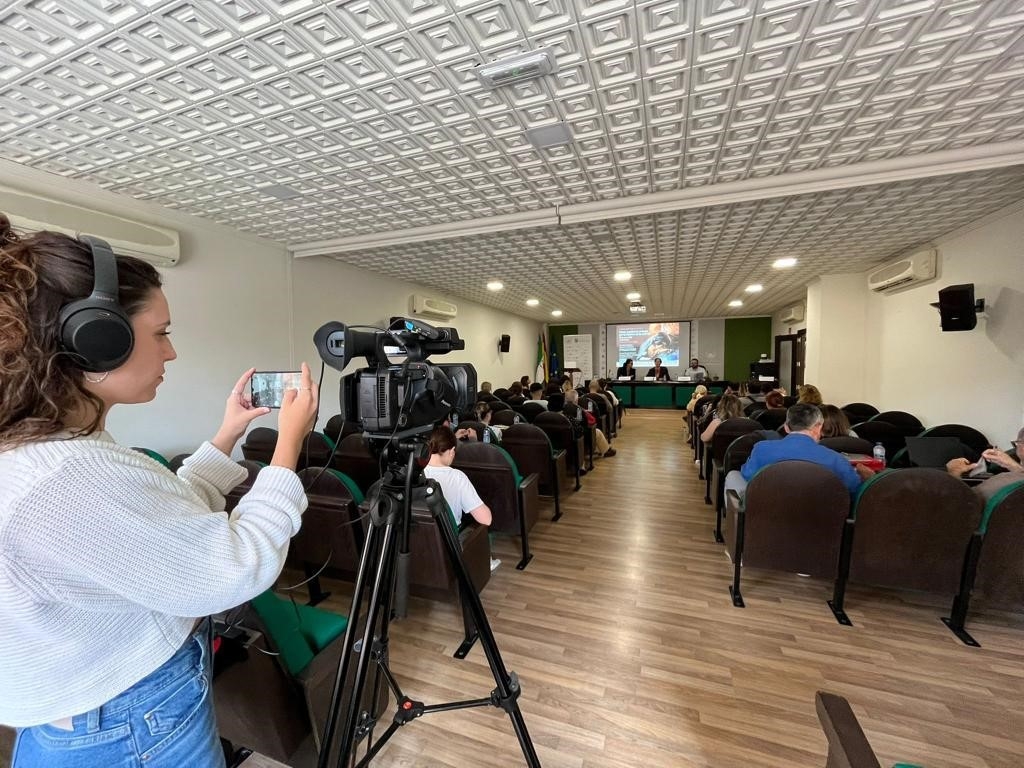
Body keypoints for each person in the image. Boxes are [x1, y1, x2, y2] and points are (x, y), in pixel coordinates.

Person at [0, 219, 319, 767]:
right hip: (129, 724)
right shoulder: (67, 478)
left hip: (91, 713)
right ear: (97, 341)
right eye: (161, 332)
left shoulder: (49, 455)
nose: (170, 353)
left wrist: (227, 435)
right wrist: (288, 447)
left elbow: (157, 526)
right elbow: (235, 568)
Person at [725, 403, 874, 498]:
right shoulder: (835, 459)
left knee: (733, 475)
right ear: (819, 427)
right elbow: (854, 488)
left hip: (767, 512)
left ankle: (742, 530)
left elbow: (748, 475)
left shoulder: (762, 449)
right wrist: (868, 478)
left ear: (786, 427)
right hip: (819, 520)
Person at [423, 426, 500, 572]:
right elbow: (486, 519)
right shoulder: (457, 477)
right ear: (451, 451)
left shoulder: (413, 475)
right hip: (449, 543)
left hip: (422, 544)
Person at [565, 390, 615, 457]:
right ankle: (606, 450)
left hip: (567, 436)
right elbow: (581, 422)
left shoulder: (563, 408)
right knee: (597, 431)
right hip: (579, 435)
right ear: (576, 399)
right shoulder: (578, 410)